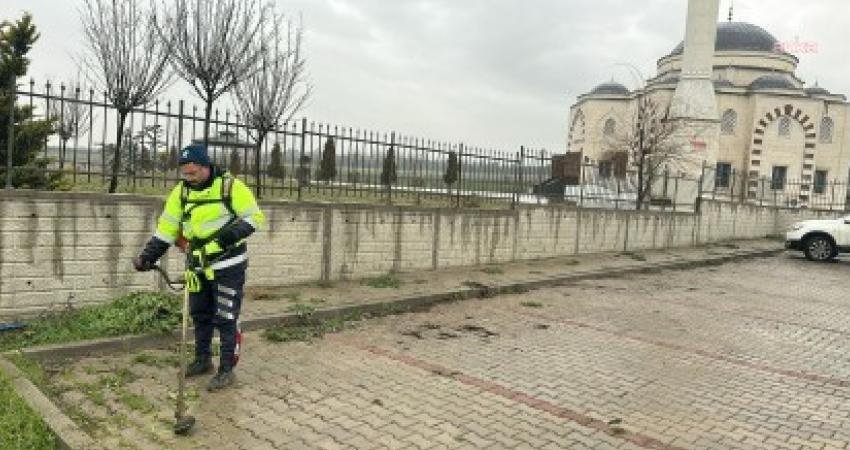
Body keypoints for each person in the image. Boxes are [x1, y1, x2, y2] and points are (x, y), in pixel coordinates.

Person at [132, 144, 265, 391]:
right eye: (185, 174)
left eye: (193, 173)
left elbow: (254, 218)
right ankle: (203, 360)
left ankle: (227, 369)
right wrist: (148, 256)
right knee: (199, 315)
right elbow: (167, 229)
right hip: (197, 266)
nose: (189, 178)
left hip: (228, 265)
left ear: (206, 166)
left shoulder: (230, 187)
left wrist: (222, 241)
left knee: (225, 318)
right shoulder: (181, 193)